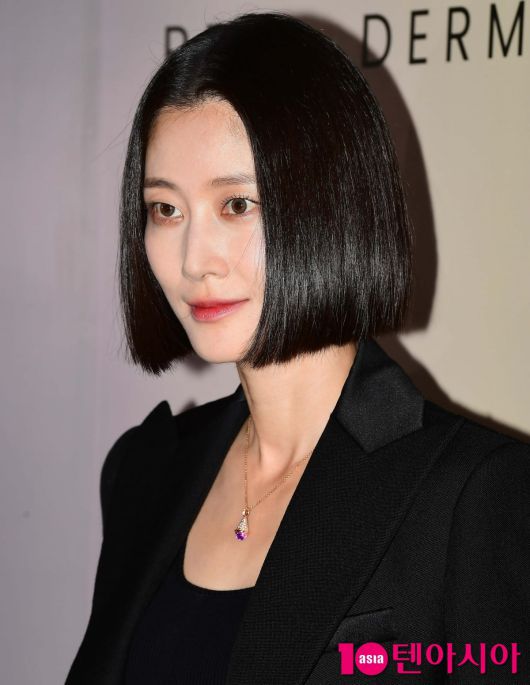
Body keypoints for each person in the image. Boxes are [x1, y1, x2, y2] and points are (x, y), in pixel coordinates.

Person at [65, 11, 529, 685]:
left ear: (331, 202)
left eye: (236, 204)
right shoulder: (143, 472)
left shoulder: (476, 497)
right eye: (166, 209)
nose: (194, 259)